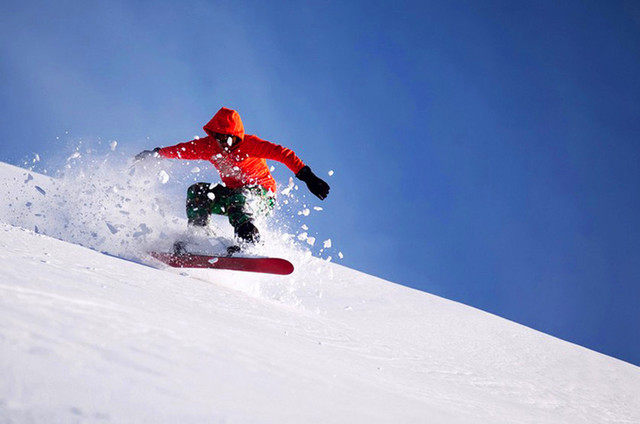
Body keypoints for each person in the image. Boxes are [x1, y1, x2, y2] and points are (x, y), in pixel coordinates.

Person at [135, 107, 330, 245]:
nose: (222, 143)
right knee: (197, 191)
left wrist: (309, 177)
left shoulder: (250, 144)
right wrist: (157, 153)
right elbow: (183, 149)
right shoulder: (209, 146)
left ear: (235, 135)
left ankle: (249, 243)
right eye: (218, 138)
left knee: (240, 197)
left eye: (226, 138)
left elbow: (283, 154)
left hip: (262, 196)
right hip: (233, 196)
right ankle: (198, 236)